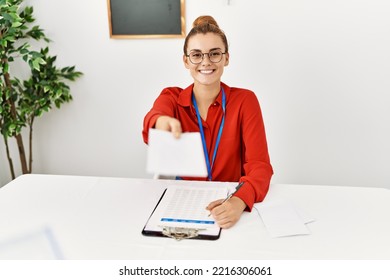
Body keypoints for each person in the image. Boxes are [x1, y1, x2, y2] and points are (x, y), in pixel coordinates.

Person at [142, 15, 273, 229]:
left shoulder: (245, 101)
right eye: (196, 55)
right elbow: (154, 118)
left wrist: (239, 201)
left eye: (214, 54)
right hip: (184, 201)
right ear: (186, 60)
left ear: (226, 58)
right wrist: (160, 123)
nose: (205, 62)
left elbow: (260, 166)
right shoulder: (171, 97)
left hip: (230, 199)